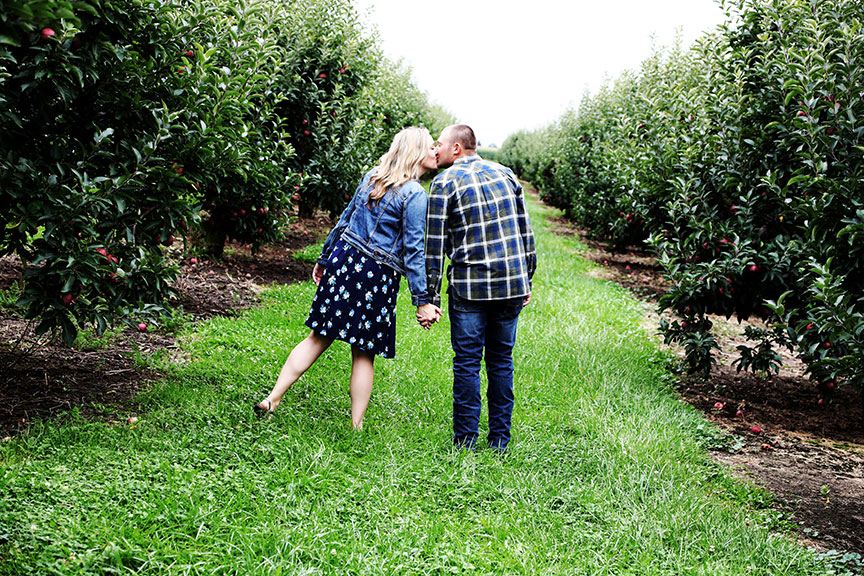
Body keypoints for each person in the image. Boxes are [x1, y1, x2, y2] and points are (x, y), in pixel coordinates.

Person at [254, 126, 442, 430]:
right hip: (376, 276)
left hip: (345, 260)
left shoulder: (372, 178)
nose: (435, 151)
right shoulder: (415, 195)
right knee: (364, 352)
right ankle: (356, 426)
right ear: (417, 151)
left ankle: (272, 399)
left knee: (318, 336)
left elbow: (344, 220)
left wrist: (325, 258)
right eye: (431, 146)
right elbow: (413, 249)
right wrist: (422, 301)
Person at [418, 124, 536, 451]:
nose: (436, 149)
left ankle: (466, 441)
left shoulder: (444, 183)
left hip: (470, 288)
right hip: (511, 284)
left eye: (439, 144)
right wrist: (527, 276)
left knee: (467, 363)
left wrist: (428, 296)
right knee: (501, 361)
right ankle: (499, 440)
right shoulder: (507, 175)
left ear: (457, 148)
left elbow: (434, 245)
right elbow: (525, 231)